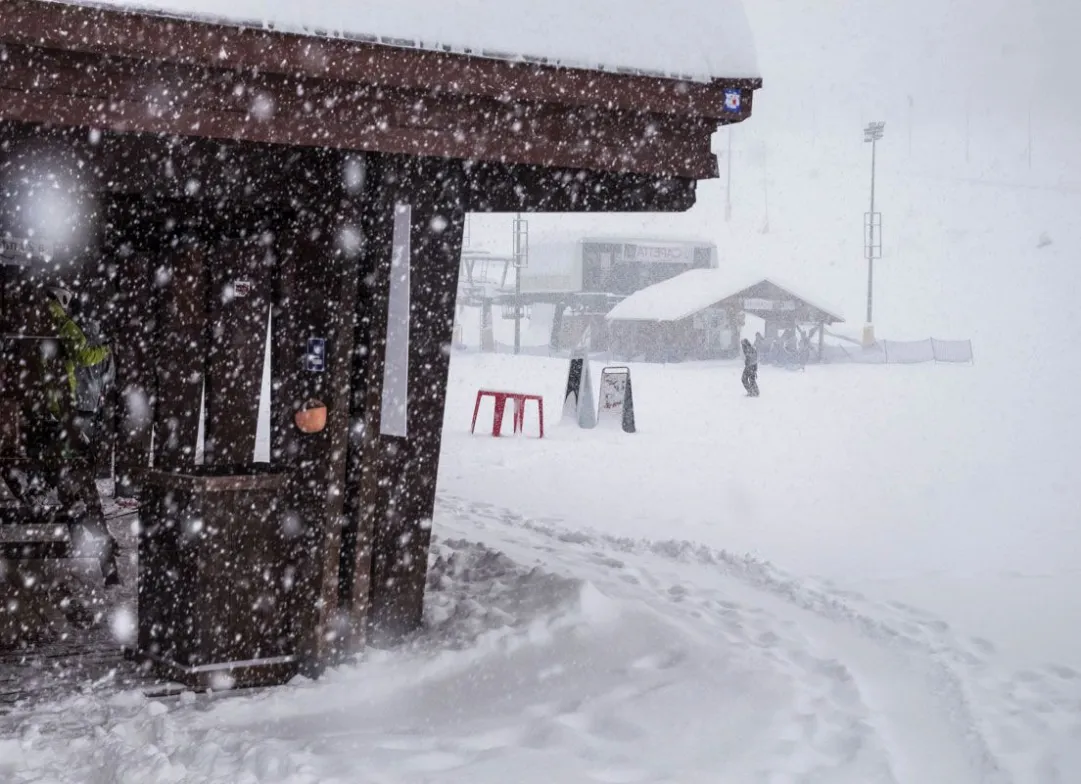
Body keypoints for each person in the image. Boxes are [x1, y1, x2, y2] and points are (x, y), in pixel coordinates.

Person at [19, 284, 120, 586]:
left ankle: (91, 544)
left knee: (68, 482)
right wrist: (107, 349)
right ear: (61, 300)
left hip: (35, 415)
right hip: (61, 415)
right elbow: (85, 354)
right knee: (80, 485)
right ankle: (106, 562)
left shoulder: (30, 321)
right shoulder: (63, 324)